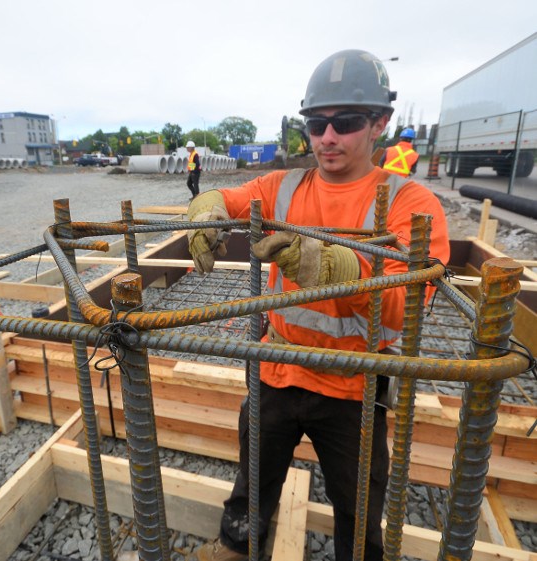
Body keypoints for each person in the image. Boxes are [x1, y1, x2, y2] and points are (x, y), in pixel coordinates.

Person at [186, 49, 450, 561]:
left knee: (358, 502)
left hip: (353, 380)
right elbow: (232, 199)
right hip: (279, 368)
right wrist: (207, 206)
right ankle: (237, 546)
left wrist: (336, 269)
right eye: (316, 123)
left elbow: (406, 308)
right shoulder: (284, 186)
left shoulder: (411, 205)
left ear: (380, 124)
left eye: (345, 122)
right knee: (254, 480)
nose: (327, 137)